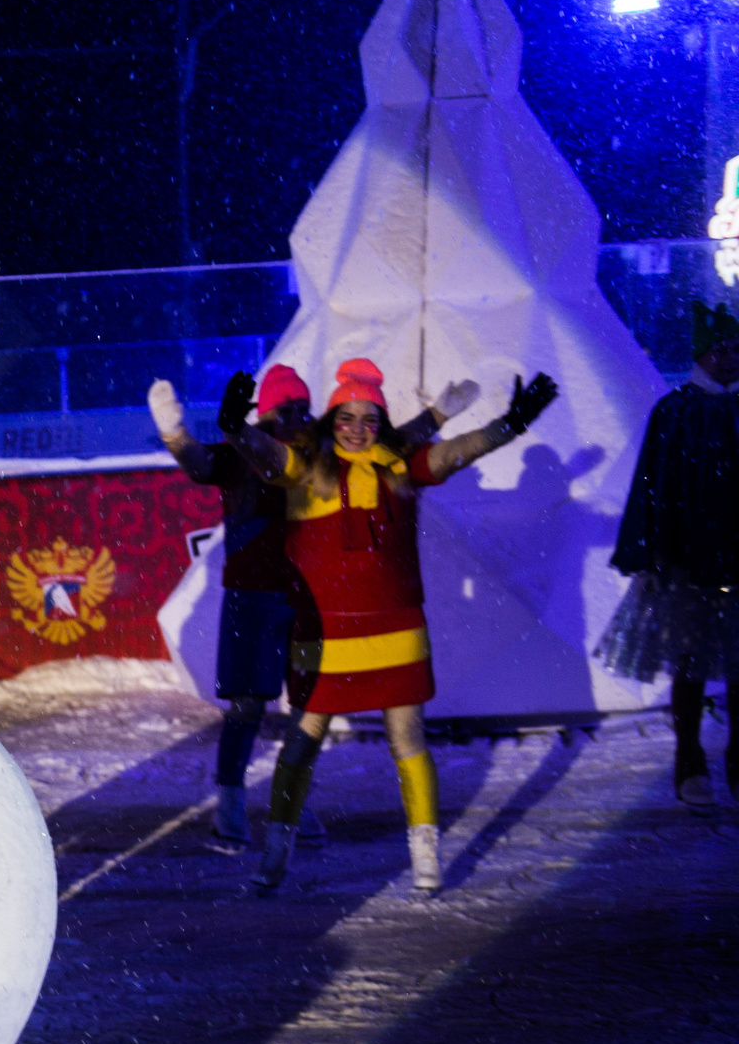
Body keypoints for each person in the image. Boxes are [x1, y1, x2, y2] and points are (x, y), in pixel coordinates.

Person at [221, 358, 558, 894]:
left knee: (408, 741)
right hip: (324, 637)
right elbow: (267, 454)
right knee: (301, 745)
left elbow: (458, 450)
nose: (357, 429)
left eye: (369, 419)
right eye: (346, 417)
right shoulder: (306, 471)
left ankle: (425, 857)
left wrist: (509, 426)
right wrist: (235, 429)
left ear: (381, 423)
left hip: (397, 633)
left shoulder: (401, 469)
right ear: (331, 419)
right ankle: (275, 856)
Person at [149, 370, 475, 845]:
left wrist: (437, 416)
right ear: (266, 413)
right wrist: (173, 431)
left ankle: (291, 805)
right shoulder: (247, 451)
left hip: (311, 602)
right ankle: (230, 801)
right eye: (287, 410)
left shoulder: (321, 456)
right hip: (253, 597)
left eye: (304, 409)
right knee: (246, 705)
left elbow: (391, 443)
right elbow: (199, 463)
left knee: (308, 708)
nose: (298, 418)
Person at [597, 300, 739, 810]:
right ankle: (689, 758)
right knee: (691, 661)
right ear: (701, 353)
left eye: (736, 348)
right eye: (721, 348)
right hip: (686, 561)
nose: (730, 357)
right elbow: (652, 485)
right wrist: (647, 552)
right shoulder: (675, 411)